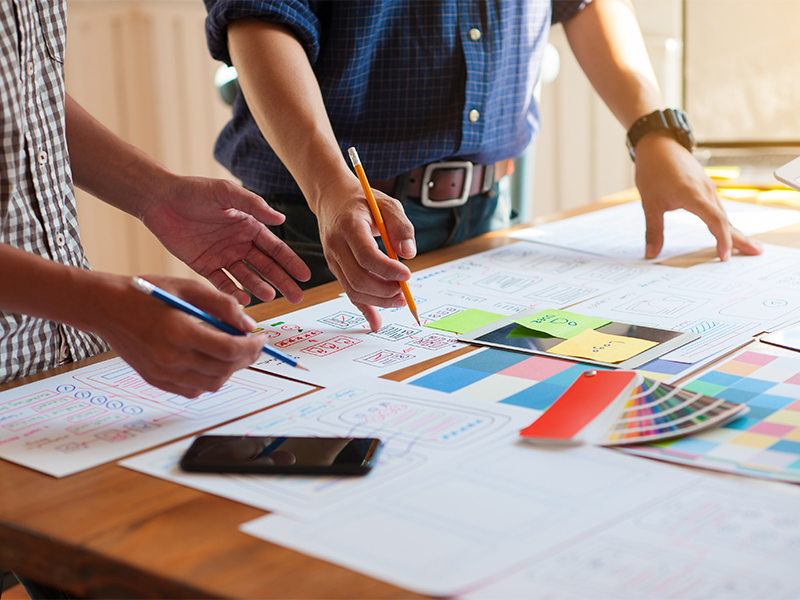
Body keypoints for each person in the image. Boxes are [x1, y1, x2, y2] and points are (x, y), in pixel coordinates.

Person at [203, 0, 763, 333]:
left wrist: (654, 132)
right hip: (320, 226)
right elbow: (260, 18)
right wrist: (329, 184)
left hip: (489, 220)